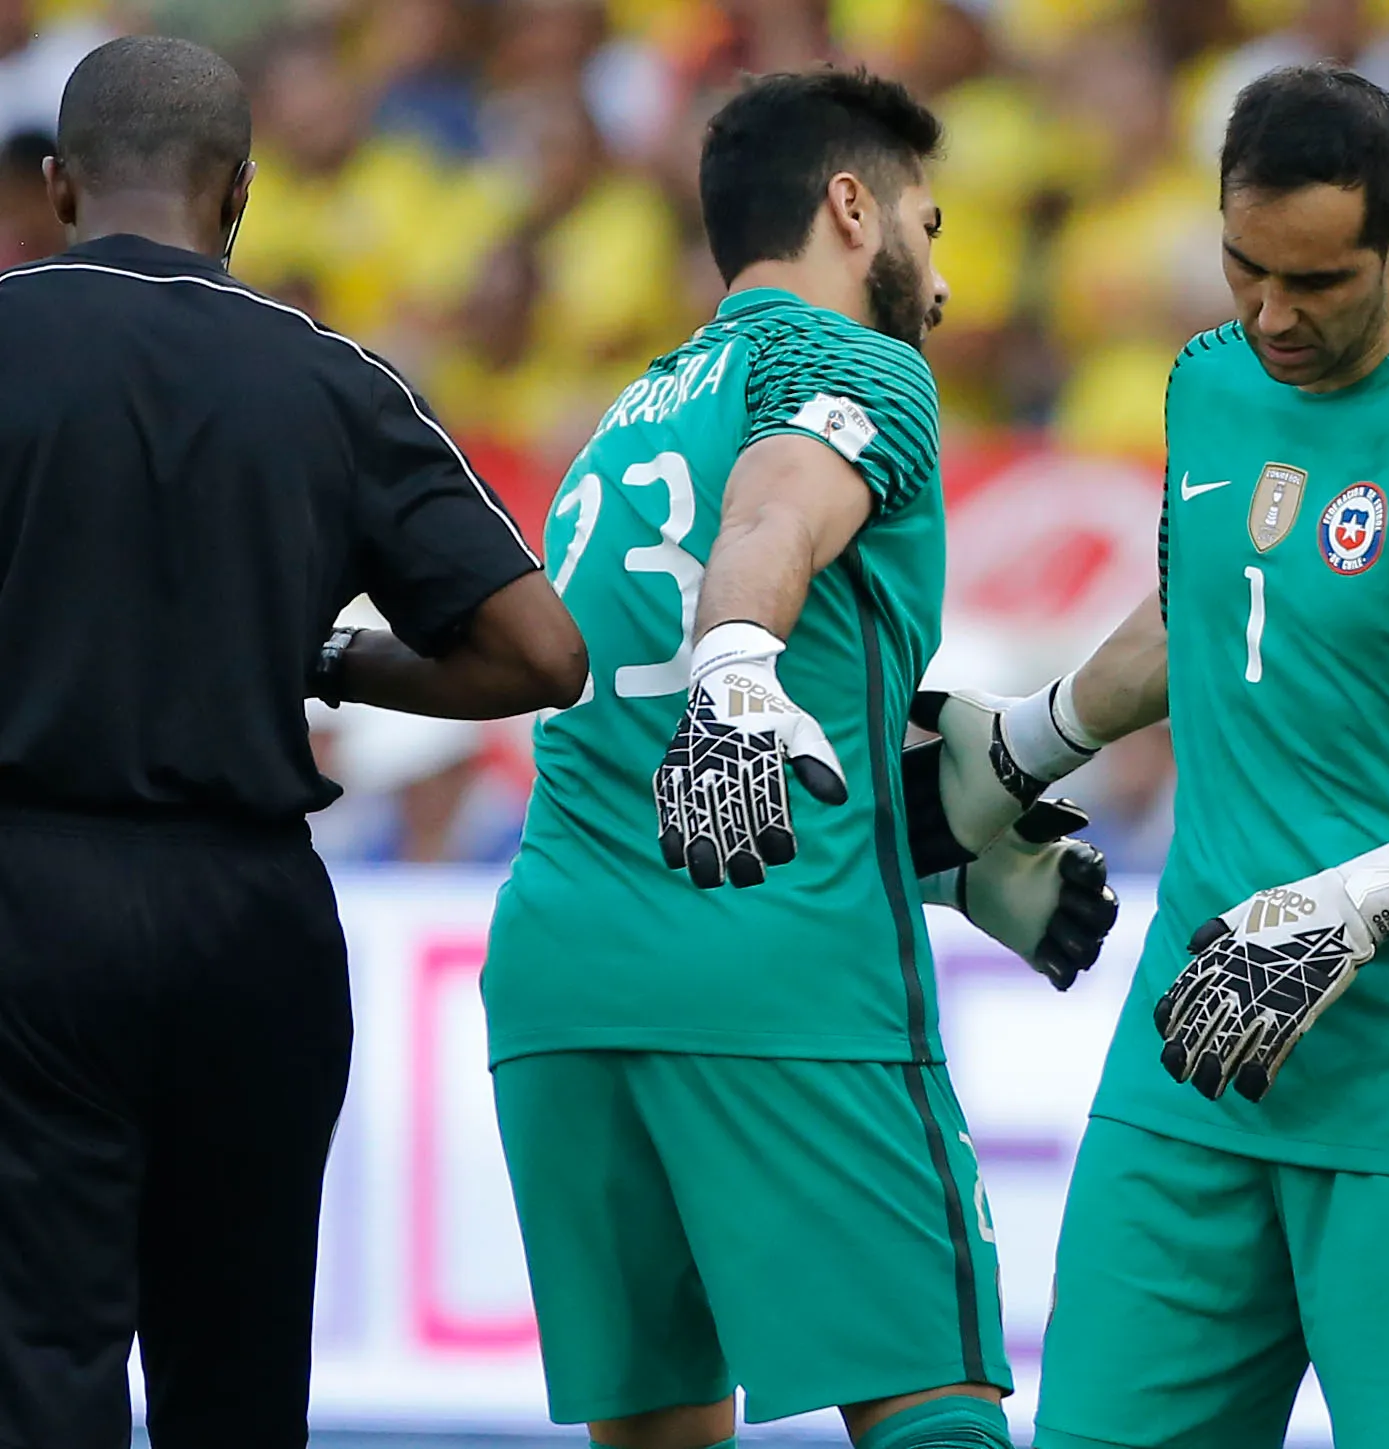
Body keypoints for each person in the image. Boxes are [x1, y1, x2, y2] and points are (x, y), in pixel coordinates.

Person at [911, 64, 1389, 1449]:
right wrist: (1020, 745)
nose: (1270, 314)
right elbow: (1206, 614)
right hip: (1188, 1057)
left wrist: (1359, 901)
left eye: (1315, 281)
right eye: (1243, 267)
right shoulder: (1206, 381)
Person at [482, 69, 1117, 1449]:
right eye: (929, 226)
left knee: (658, 1428)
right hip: (771, 960)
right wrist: (737, 661)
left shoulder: (624, 416)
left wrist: (937, 852)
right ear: (850, 205)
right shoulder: (852, 360)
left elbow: (719, 712)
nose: (939, 281)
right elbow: (774, 519)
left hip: (558, 976)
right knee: (930, 1394)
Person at [0, 35, 584, 1449]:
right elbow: (540, 652)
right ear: (243, 193)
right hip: (251, 916)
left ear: (61, 186)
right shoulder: (331, 380)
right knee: (238, 1371)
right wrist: (325, 654)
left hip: (26, 905)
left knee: (41, 1357)